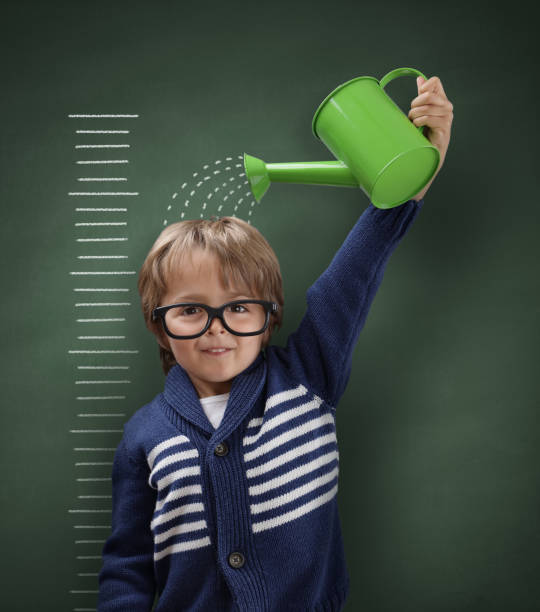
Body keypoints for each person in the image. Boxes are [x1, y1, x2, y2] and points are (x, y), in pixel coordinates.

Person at [98, 76, 454, 611]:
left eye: (239, 307)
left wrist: (419, 166)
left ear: (269, 320)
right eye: (191, 310)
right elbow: (127, 568)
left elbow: (354, 273)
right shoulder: (142, 439)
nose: (216, 327)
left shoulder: (309, 376)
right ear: (158, 323)